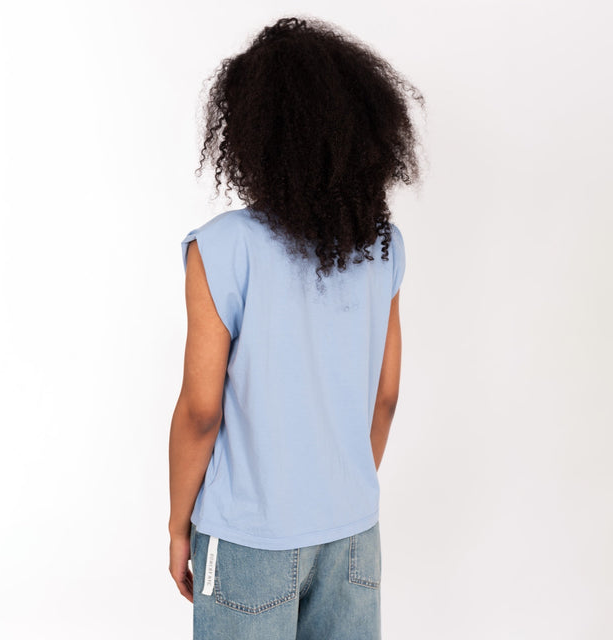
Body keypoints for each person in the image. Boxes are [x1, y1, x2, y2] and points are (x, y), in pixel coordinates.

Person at [168, 15, 426, 639]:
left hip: (249, 537)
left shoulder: (223, 247)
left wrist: (179, 525)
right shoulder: (381, 247)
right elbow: (386, 396)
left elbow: (201, 410)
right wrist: (339, 490)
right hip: (353, 534)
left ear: (251, 132)